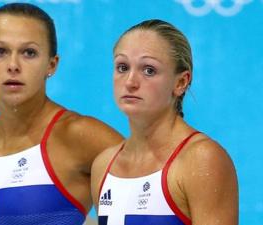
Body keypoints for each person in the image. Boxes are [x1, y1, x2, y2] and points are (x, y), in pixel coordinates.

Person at [0, 3, 123, 225]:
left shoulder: (80, 136)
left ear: (51, 64)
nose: (13, 65)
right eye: (0, 51)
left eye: (29, 53)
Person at [91, 19, 238, 225]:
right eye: (122, 67)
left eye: (149, 70)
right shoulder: (104, 165)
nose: (130, 82)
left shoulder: (201, 160)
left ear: (181, 82)